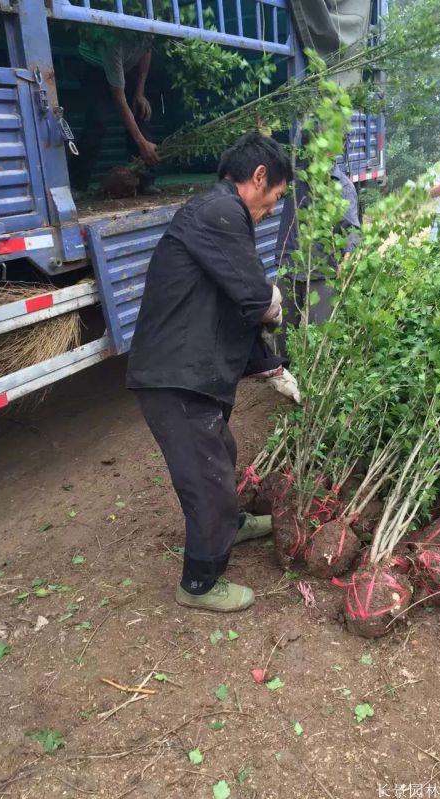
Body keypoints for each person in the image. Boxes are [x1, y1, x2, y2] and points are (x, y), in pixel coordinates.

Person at [126, 134, 293, 612]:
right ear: (259, 177)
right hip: (173, 376)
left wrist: (273, 367)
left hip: (188, 370)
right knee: (207, 476)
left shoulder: (219, 215)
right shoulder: (220, 213)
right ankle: (199, 583)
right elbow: (253, 299)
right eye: (275, 198)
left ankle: (231, 526)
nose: (270, 210)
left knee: (221, 449)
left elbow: (232, 304)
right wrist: (273, 306)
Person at [275, 155, 361, 358]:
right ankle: (285, 371)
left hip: (322, 268)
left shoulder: (341, 185)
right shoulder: (293, 177)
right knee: (281, 328)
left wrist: (347, 259)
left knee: (320, 332)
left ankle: (315, 379)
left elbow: (352, 230)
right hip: (290, 263)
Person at [69, 29, 159, 195]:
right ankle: (77, 184)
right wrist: (141, 143)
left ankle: (145, 181)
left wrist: (140, 93)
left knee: (140, 111)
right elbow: (119, 99)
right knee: (98, 120)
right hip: (95, 66)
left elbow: (146, 52)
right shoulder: (113, 42)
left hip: (126, 65)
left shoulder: (146, 30)